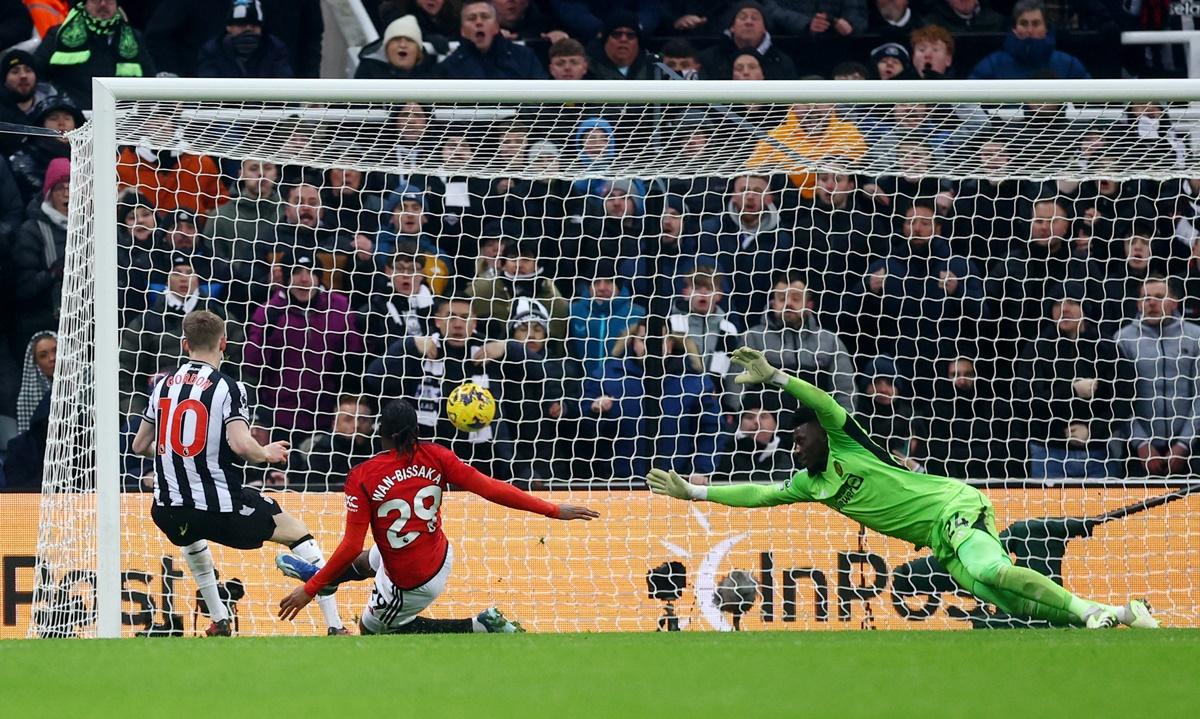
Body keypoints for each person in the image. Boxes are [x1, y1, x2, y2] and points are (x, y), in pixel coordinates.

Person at [647, 347, 1159, 630]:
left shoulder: (847, 442)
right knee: (1006, 600)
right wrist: (695, 493)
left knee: (990, 569)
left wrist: (777, 376)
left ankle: (1089, 612)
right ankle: (1119, 614)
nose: (795, 448)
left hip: (954, 504)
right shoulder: (812, 483)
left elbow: (822, 400)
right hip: (938, 536)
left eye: (800, 439)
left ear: (822, 434)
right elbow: (758, 495)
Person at [276, 399, 599, 634]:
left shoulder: (363, 475)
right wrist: (554, 509)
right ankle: (323, 578)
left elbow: (348, 544)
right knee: (368, 560)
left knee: (371, 630)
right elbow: (492, 488)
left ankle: (477, 625)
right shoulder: (438, 456)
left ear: (381, 434)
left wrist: (310, 590)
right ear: (416, 430)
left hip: (411, 582)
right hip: (438, 555)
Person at [129, 310, 349, 636]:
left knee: (192, 541)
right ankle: (336, 625)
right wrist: (268, 454)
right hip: (220, 508)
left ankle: (219, 620)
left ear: (184, 344)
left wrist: (177, 450)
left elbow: (139, 445)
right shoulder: (229, 387)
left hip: (167, 510)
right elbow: (241, 445)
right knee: (297, 532)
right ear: (224, 343)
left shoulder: (161, 385)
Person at [1115, 277, 1200, 478]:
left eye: (1159, 297)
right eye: (1145, 298)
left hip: (1191, 446)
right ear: (1137, 303)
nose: (1151, 302)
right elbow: (1118, 398)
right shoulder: (1123, 339)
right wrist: (1141, 443)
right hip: (1137, 450)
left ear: (1174, 302)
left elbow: (1199, 396)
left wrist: (1184, 444)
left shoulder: (1195, 337)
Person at [32, 0, 156, 109]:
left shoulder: (133, 38)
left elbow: (149, 80)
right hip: (73, 117)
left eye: (109, 0)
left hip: (122, 118)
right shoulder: (60, 35)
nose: (103, 4)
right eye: (96, 0)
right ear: (84, 3)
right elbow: (37, 72)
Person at [969, 0, 1089, 80]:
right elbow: (966, 103)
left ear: (1046, 27)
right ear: (1014, 27)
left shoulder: (1069, 65)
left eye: (1036, 24)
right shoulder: (992, 65)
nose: (1030, 30)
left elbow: (1094, 104)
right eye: (1024, 23)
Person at [437, 0, 547, 79]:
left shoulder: (525, 58)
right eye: (471, 18)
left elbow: (543, 99)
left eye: (485, 17)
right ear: (462, 31)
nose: (479, 22)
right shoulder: (450, 67)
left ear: (496, 26)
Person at [697, 2, 798, 81]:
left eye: (755, 18)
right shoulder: (707, 59)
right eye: (742, 17)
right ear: (732, 27)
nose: (749, 22)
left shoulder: (782, 62)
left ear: (765, 28)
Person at [196, 0, 294, 79]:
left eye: (254, 25)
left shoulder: (275, 49)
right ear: (229, 27)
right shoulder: (211, 51)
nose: (248, 29)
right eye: (241, 24)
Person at [355, 14, 438, 79]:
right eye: (396, 39)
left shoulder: (431, 73)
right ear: (386, 48)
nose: (402, 45)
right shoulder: (368, 71)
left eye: (409, 40)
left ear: (418, 51)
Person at [585, 12, 657, 81]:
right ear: (605, 40)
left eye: (630, 35)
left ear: (638, 42)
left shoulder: (655, 70)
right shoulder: (585, 69)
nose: (623, 39)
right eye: (617, 34)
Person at [14, 331, 55, 435]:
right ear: (36, 363)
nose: (52, 358)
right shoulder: (28, 397)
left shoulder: (84, 382)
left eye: (55, 351)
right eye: (43, 356)